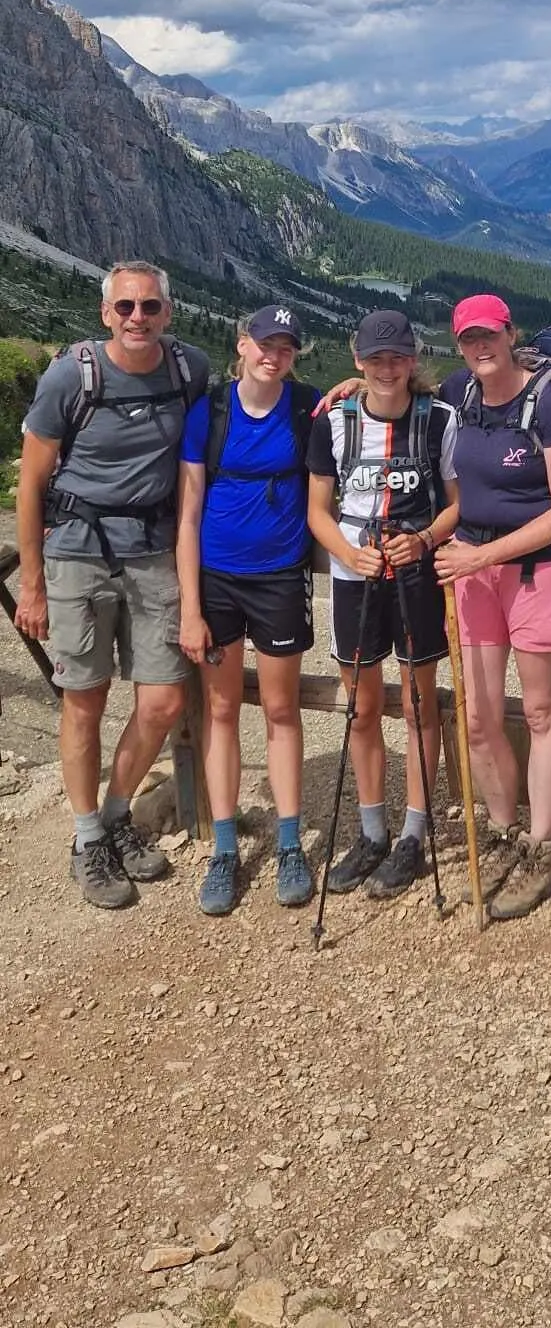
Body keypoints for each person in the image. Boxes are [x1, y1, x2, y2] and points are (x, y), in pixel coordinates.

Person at [15, 261, 209, 909]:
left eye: (149, 307)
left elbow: (255, 398)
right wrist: (33, 585)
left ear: (167, 313)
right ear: (105, 314)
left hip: (154, 551)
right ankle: (86, 838)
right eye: (125, 307)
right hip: (77, 553)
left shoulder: (189, 369)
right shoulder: (71, 376)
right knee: (84, 701)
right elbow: (31, 483)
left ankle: (118, 815)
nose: (137, 318)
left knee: (163, 701)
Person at [434, 294, 551, 920]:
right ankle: (501, 831)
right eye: (468, 338)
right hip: (474, 571)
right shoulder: (457, 393)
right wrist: (350, 383)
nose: (479, 347)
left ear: (509, 333)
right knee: (478, 717)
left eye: (488, 334)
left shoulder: (548, 400)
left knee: (545, 709)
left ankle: (541, 846)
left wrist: (480, 559)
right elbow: (394, 385)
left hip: (537, 571)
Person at [307, 309, 459, 901]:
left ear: (413, 359)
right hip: (354, 575)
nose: (387, 368)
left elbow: (456, 505)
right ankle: (372, 830)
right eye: (376, 358)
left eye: (397, 357)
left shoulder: (438, 420)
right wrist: (350, 549)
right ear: (358, 359)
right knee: (362, 707)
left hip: (416, 575)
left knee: (419, 704)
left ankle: (413, 835)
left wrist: (421, 540)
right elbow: (317, 510)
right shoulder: (334, 422)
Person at [177, 304, 319, 917]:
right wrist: (190, 607)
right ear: (241, 345)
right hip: (218, 582)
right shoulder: (208, 413)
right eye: (265, 344)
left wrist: (356, 382)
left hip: (281, 579)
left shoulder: (304, 406)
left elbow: (364, 398)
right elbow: (186, 515)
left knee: (283, 709)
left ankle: (289, 842)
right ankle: (226, 849)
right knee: (222, 709)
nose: (274, 355)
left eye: (285, 347)